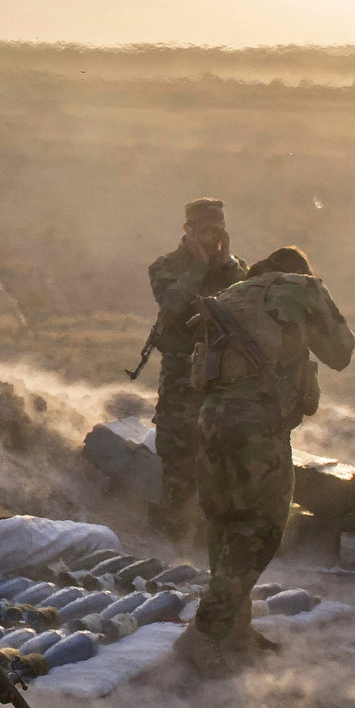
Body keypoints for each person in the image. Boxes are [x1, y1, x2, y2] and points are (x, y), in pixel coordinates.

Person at [177, 246, 354, 673]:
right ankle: (204, 633)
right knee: (261, 528)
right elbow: (342, 352)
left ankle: (237, 633)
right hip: (256, 423)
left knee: (224, 522)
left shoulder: (232, 295)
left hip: (211, 420)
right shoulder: (301, 287)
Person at [146, 198, 249, 543]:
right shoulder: (166, 266)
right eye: (204, 231)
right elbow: (173, 304)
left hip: (222, 382)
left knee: (220, 460)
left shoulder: (235, 271)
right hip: (180, 379)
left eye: (217, 231)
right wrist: (199, 268)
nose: (211, 238)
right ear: (187, 231)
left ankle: (209, 542)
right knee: (178, 459)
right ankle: (172, 541)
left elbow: (247, 310)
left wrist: (226, 265)